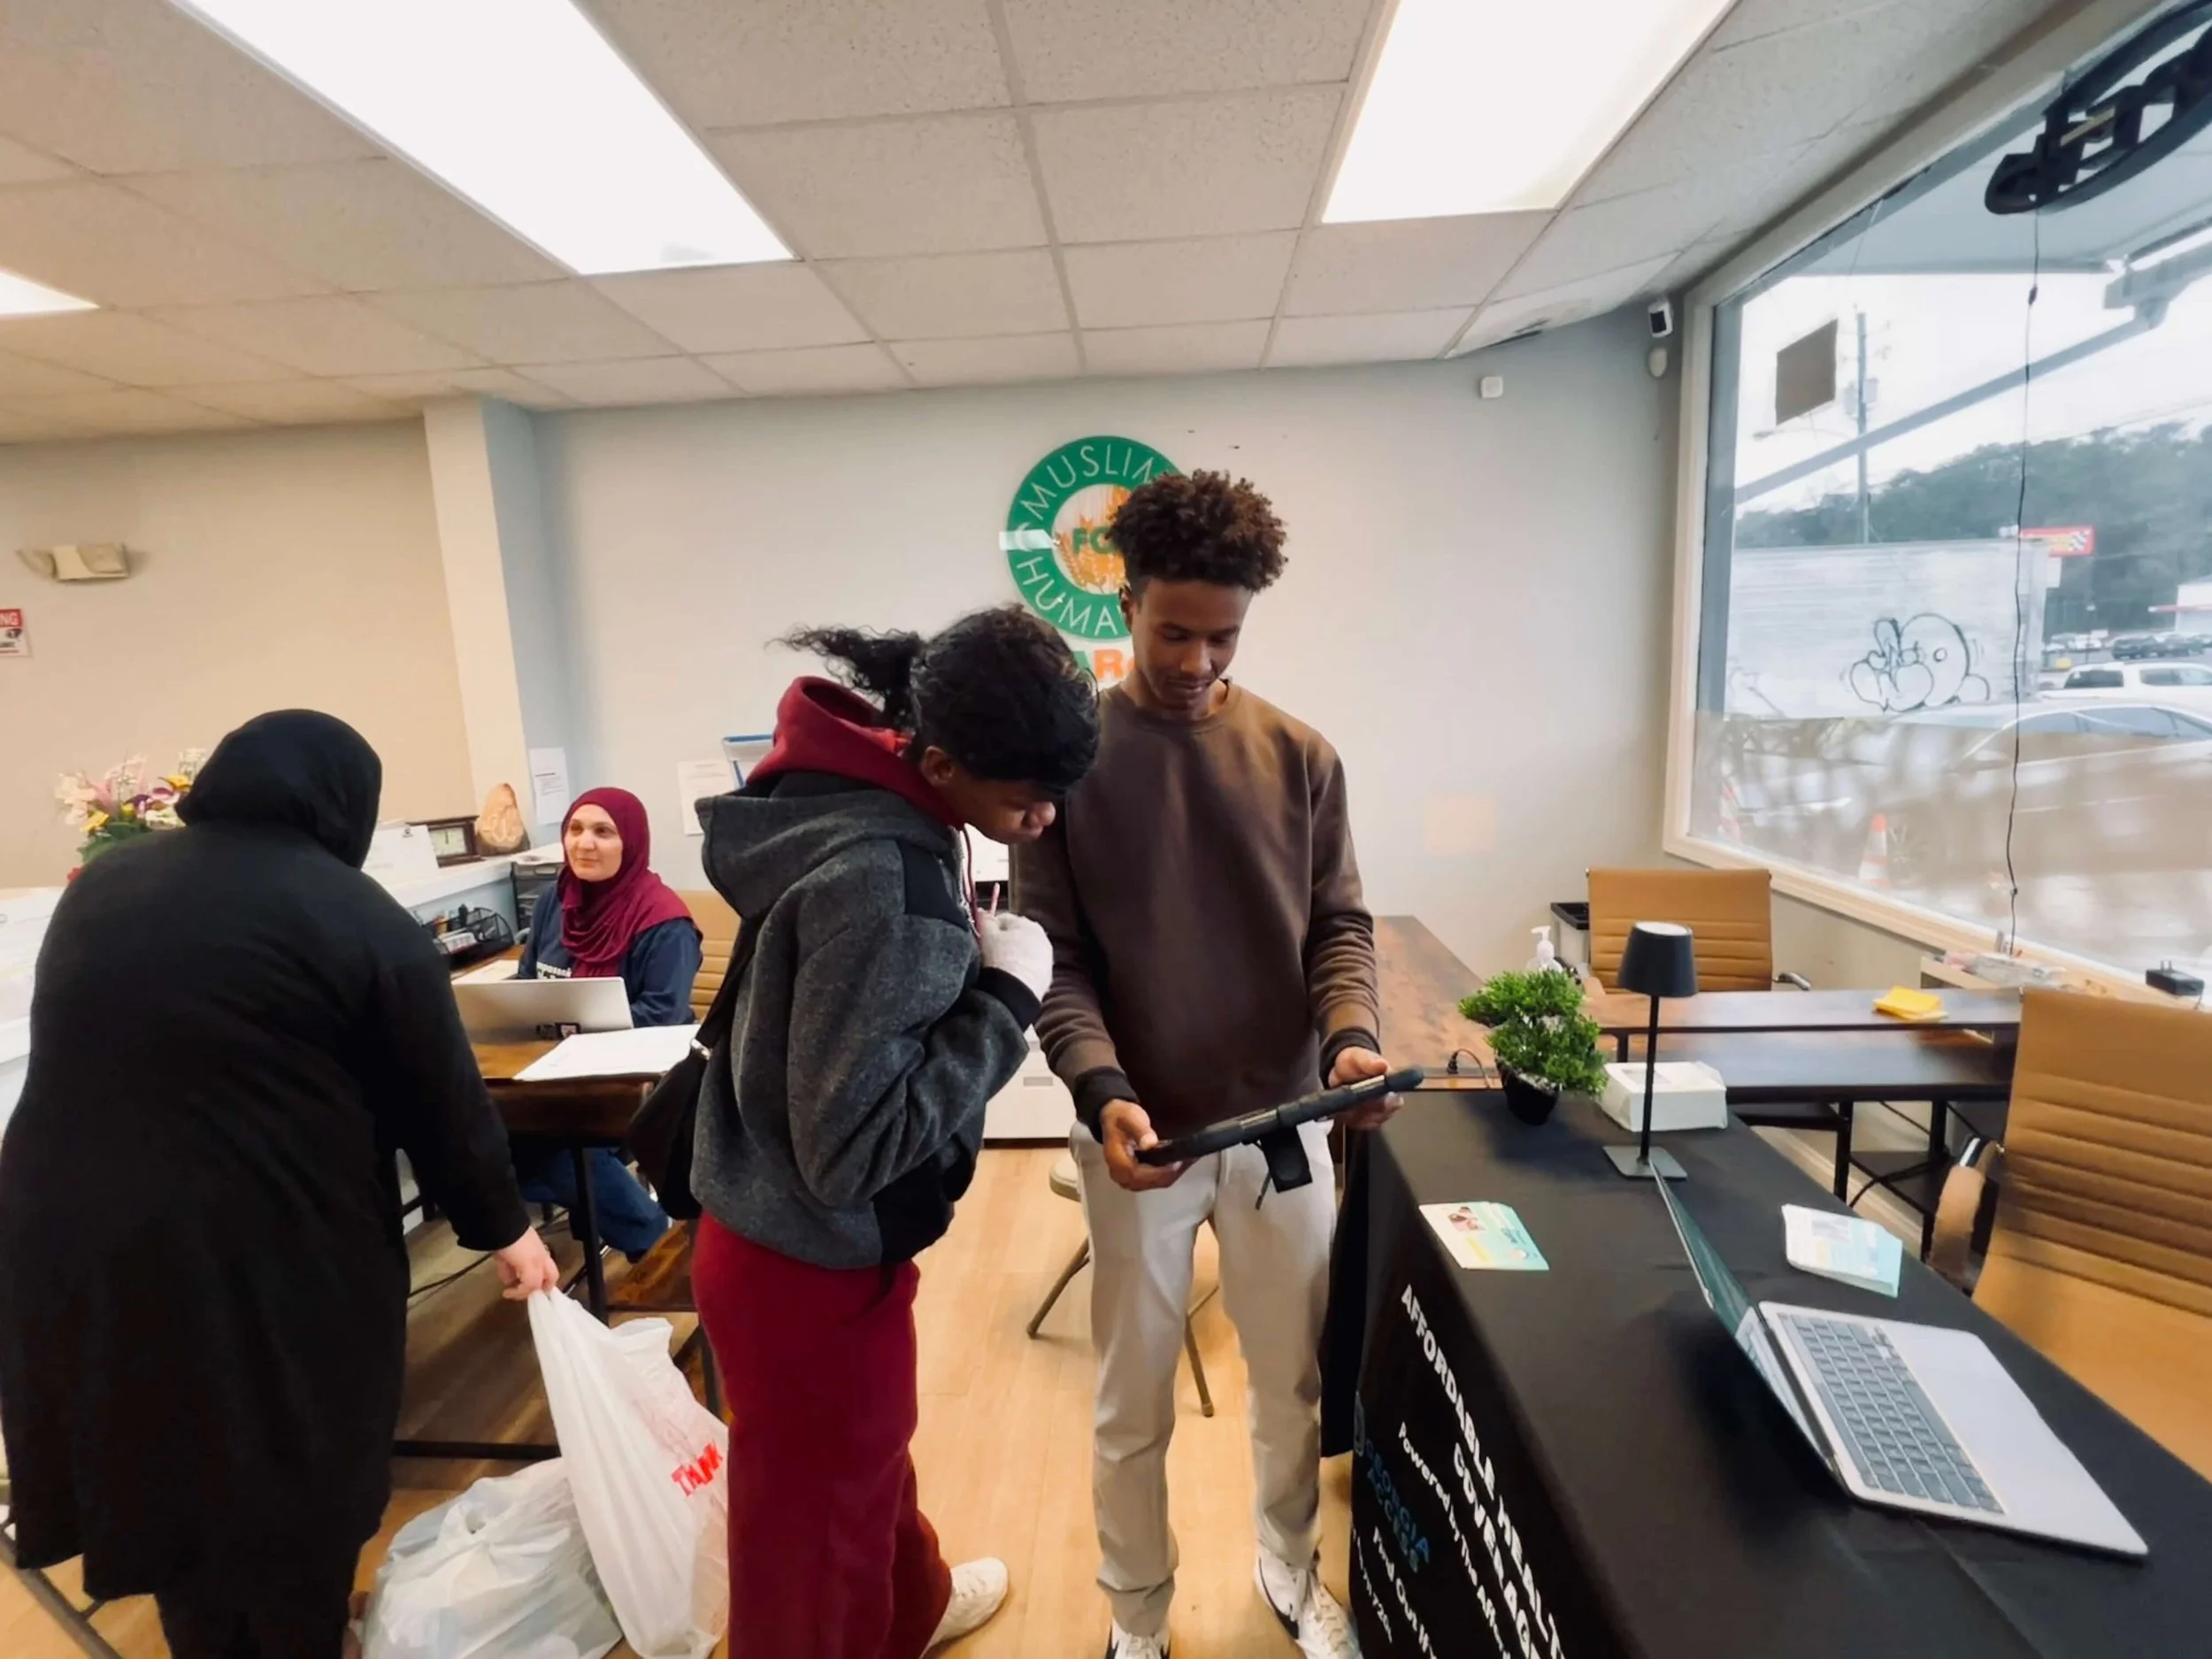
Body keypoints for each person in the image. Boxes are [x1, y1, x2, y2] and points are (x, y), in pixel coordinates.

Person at [0, 710, 561, 1659]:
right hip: (264, 1240)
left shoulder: (109, 884)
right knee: (296, 1455)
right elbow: (441, 1103)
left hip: (72, 1241)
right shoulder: (351, 912)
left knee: (162, 1452)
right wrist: (507, 1228)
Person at [1014, 472, 1397, 1659]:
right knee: (1133, 1408)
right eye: (1173, 629)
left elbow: (1339, 925)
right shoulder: (1068, 766)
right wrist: (1101, 1085)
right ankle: (1138, 1617)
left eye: (1223, 634)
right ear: (1123, 603)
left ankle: (1289, 1572)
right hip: (1140, 1138)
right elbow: (1051, 956)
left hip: (1284, 1126)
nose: (1196, 657)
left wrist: (1350, 1034)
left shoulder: (1300, 755)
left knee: (1289, 1388)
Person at [690, 606, 1098, 1659]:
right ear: (945, 760)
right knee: (806, 1546)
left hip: (767, 1233)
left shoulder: (831, 799)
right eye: (1027, 796)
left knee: (857, 1468)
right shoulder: (889, 881)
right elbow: (853, 1151)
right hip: (810, 1258)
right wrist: (1004, 1003)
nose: (1045, 818)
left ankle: (907, 1610)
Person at [512, 785, 701, 1259]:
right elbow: (526, 980)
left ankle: (652, 1239)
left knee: (544, 1144)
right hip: (544, 1072)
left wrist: (568, 1028)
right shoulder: (556, 903)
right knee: (487, 1130)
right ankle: (610, 1220)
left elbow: (663, 1018)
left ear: (631, 842)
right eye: (575, 829)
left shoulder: (664, 920)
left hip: (632, 1080)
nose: (584, 843)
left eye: (603, 832)